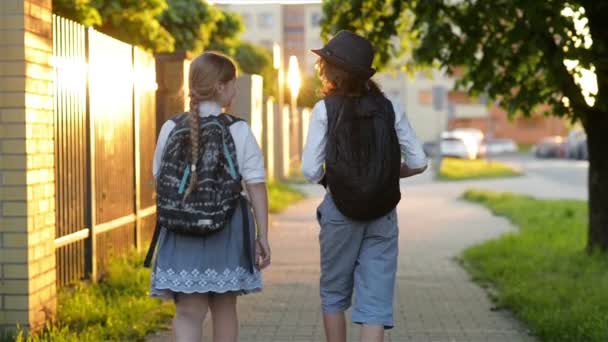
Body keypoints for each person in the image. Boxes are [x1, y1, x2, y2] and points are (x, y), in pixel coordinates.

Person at [302, 30, 428, 342]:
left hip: (340, 211)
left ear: (332, 70)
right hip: (383, 211)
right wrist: (385, 174)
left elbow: (309, 169)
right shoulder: (390, 108)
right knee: (375, 301)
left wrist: (331, 181)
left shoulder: (325, 110)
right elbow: (420, 161)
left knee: (333, 292)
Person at [148, 52, 271, 342]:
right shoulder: (238, 130)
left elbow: (159, 178)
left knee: (188, 312)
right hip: (227, 229)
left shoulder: (171, 127)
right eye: (233, 84)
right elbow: (255, 185)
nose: (236, 90)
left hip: (180, 232)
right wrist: (261, 235)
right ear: (220, 87)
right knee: (225, 307)